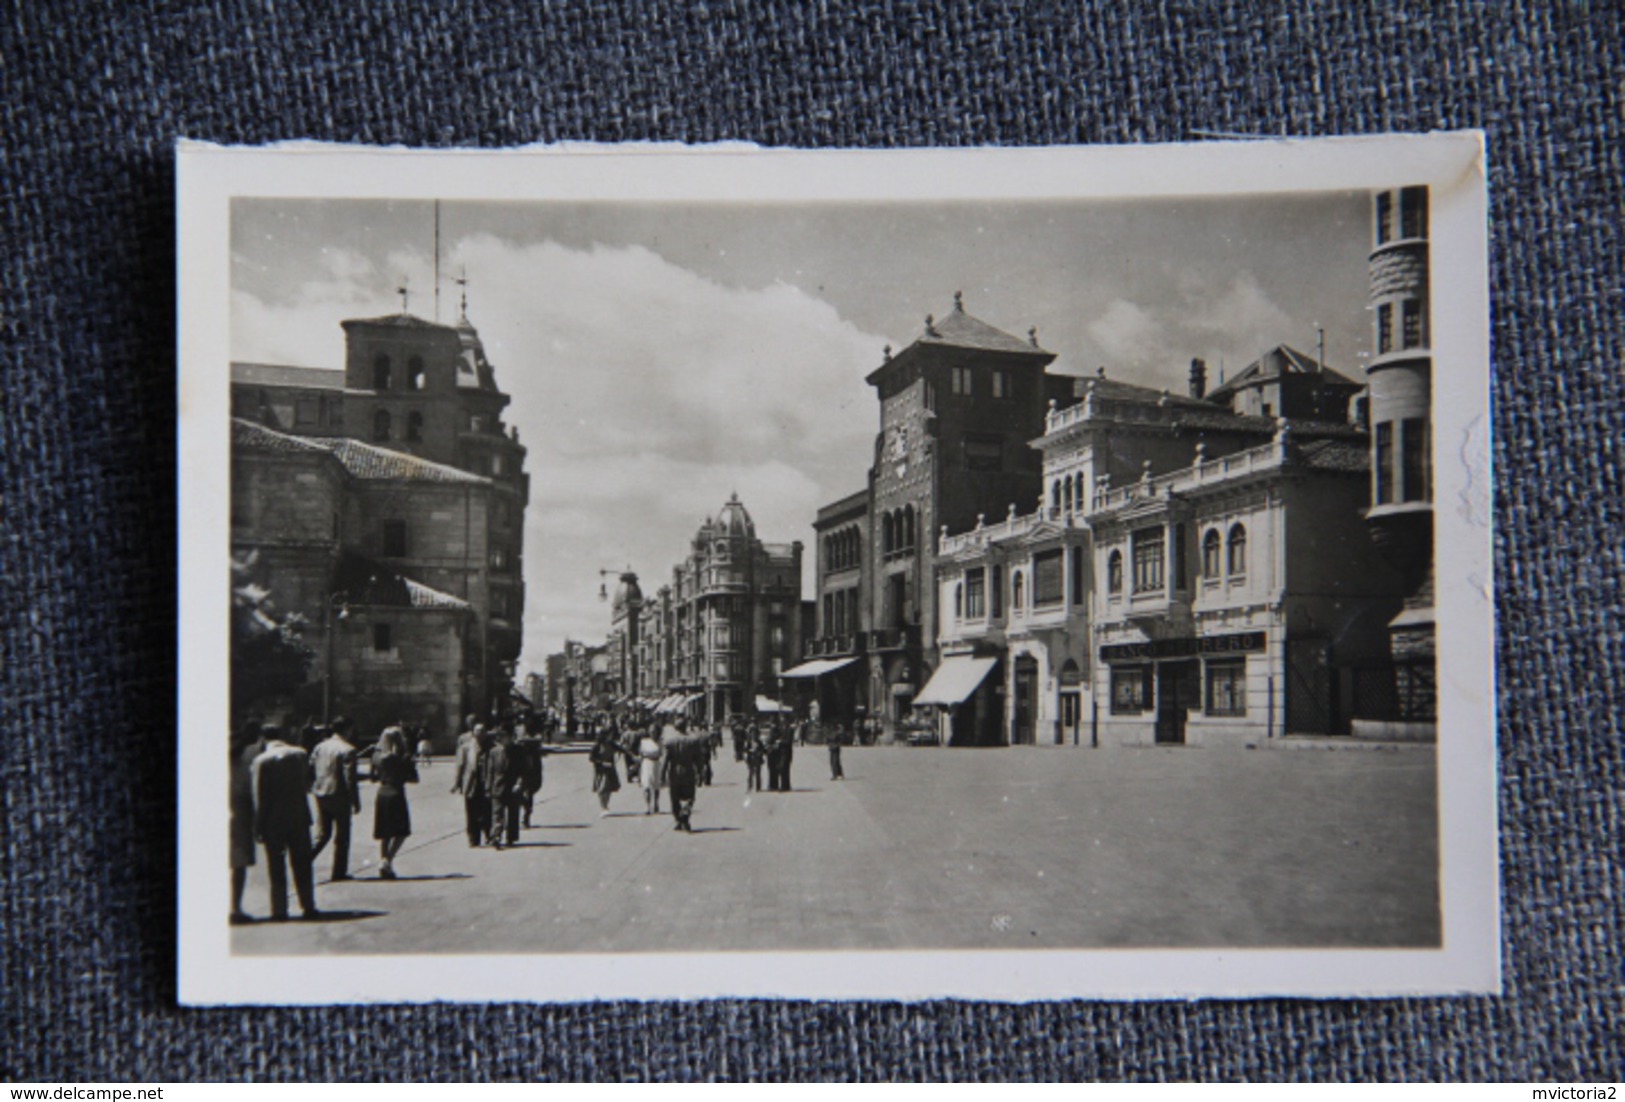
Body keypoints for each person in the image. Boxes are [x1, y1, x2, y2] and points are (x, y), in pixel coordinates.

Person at [251, 724, 319, 920]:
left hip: (274, 821)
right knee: (303, 864)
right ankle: (308, 905)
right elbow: (308, 782)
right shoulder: (300, 754)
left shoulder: (261, 761)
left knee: (276, 866)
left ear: (263, 739)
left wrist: (257, 825)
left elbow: (259, 797)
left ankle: (280, 909)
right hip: (299, 817)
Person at [307, 717, 361, 882]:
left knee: (323, 834)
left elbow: (310, 766)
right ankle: (339, 871)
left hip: (321, 792)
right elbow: (349, 778)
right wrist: (355, 800)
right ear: (347, 729)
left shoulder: (320, 747)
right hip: (340, 795)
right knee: (342, 835)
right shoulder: (348, 750)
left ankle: (304, 860)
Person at [229, 721, 266, 924]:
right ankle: (235, 908)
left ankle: (234, 907)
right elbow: (251, 795)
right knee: (238, 866)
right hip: (239, 817)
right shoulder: (245, 766)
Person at [371, 725, 418, 879]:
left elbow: (373, 777)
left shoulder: (376, 756)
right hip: (397, 792)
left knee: (385, 832)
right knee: (401, 831)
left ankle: (385, 865)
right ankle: (387, 860)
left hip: (382, 793)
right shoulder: (404, 757)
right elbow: (414, 778)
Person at [452, 722, 491, 847]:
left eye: (482, 731)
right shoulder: (466, 747)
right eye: (477, 731)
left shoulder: (491, 747)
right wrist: (457, 783)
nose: (480, 733)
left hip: (486, 783)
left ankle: (488, 834)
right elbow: (460, 766)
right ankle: (473, 838)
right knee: (471, 812)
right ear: (473, 733)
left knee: (487, 811)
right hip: (471, 783)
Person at [661, 717, 701, 832]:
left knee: (675, 797)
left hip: (674, 772)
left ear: (675, 727)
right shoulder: (693, 740)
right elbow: (698, 759)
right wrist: (700, 772)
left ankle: (678, 819)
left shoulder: (670, 741)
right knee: (689, 797)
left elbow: (665, 760)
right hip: (689, 771)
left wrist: (662, 775)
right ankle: (685, 817)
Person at [484, 725, 521, 849]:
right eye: (501, 737)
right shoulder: (494, 752)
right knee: (497, 813)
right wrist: (488, 787)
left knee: (513, 814)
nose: (504, 740)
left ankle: (511, 837)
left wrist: (519, 784)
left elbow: (523, 770)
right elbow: (490, 771)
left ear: (511, 738)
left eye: (506, 737)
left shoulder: (518, 751)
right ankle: (496, 836)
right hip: (497, 786)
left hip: (512, 787)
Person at [590, 729, 621, 816]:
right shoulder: (597, 746)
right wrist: (601, 762)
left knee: (608, 788)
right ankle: (603, 807)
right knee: (601, 789)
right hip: (600, 770)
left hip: (610, 769)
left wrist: (631, 755)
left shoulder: (611, 744)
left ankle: (605, 805)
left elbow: (621, 749)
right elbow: (591, 758)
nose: (610, 737)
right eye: (608, 735)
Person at [516, 732, 544, 829]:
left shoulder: (534, 755)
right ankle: (523, 818)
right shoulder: (519, 754)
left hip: (529, 779)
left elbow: (538, 769)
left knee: (527, 798)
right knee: (522, 799)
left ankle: (525, 819)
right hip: (521, 778)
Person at [637, 724, 664, 814]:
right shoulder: (644, 742)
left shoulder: (660, 742)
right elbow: (641, 754)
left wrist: (648, 754)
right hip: (646, 764)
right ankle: (647, 807)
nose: (653, 733)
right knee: (646, 786)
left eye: (654, 731)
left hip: (655, 764)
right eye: (651, 731)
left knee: (656, 786)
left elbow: (660, 753)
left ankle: (656, 804)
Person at [743, 727, 765, 793]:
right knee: (750, 773)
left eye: (755, 734)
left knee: (758, 773)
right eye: (752, 734)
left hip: (757, 758)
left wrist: (759, 753)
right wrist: (749, 751)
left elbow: (763, 750)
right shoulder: (748, 742)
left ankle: (758, 787)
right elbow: (745, 750)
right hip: (750, 758)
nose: (754, 735)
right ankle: (749, 786)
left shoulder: (759, 742)